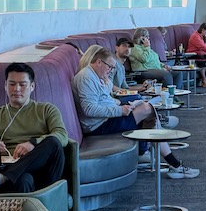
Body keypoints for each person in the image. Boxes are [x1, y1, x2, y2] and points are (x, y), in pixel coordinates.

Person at [73, 48, 198, 178]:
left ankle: (168, 160)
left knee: (143, 106)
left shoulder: (96, 76)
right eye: (109, 67)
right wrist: (120, 110)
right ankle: (151, 150)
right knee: (147, 110)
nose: (110, 71)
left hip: (106, 118)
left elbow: (104, 99)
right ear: (99, 62)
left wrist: (117, 102)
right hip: (98, 126)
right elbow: (89, 109)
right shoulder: (86, 78)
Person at [0, 62, 68, 195]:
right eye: (12, 84)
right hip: (12, 172)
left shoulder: (46, 110)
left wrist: (33, 143)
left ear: (32, 86)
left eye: (22, 84)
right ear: (5, 86)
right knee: (23, 180)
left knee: (53, 142)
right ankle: (4, 184)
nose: (17, 89)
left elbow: (62, 135)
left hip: (42, 172)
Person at [187, 23, 206, 87]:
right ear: (203, 30)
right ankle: (204, 79)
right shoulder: (195, 36)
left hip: (203, 53)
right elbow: (202, 47)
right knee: (202, 58)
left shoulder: (205, 37)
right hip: (193, 54)